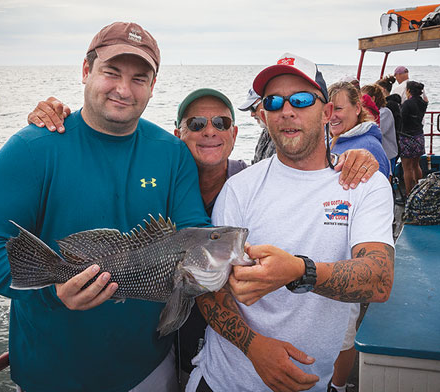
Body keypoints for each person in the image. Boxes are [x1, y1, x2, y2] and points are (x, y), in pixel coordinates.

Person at [28, 88, 380, 391]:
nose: (209, 131)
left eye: (221, 123)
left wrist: (354, 155)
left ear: (234, 131)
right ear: (178, 133)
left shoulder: (245, 182)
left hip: (207, 334)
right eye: (196, 124)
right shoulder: (158, 186)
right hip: (175, 345)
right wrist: (61, 118)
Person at [0, 22, 212, 392]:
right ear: (86, 71)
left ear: (152, 85)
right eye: (111, 73)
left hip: (149, 367)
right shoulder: (31, 149)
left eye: (139, 78)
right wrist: (53, 290)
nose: (123, 90)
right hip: (49, 373)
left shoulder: (172, 153)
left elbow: (194, 233)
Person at [186, 52, 394, 392]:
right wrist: (254, 348)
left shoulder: (363, 183)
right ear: (264, 114)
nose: (287, 110)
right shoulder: (239, 189)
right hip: (223, 380)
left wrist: (300, 271)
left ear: (327, 112)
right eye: (273, 101)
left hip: (311, 383)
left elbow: (379, 278)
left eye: (301, 99)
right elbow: (208, 292)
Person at [329, 81, 390, 178]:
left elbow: (377, 189)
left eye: (338, 108)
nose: (331, 116)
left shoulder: (370, 147)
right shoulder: (329, 140)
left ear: (357, 108)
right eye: (328, 110)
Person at [399, 81, 428, 195]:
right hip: (418, 136)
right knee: (416, 165)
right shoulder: (423, 103)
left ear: (409, 91)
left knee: (407, 168)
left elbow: (402, 119)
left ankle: (408, 194)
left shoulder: (407, 103)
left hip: (407, 137)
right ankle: (419, 192)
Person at [362, 84, 399, 173]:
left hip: (387, 154)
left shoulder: (385, 113)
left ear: (373, 98)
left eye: (364, 97)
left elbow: (378, 130)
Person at [237, 88, 276, 164]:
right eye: (250, 109)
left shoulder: (285, 134)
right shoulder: (265, 132)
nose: (252, 114)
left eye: (253, 108)